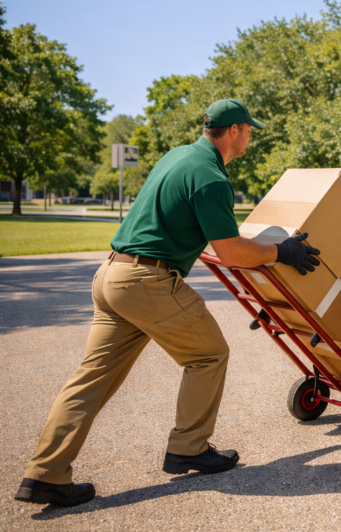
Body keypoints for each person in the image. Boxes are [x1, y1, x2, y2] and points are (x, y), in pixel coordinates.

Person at [14, 99, 321, 507]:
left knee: (90, 380)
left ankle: (45, 474)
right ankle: (189, 447)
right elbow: (230, 252)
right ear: (233, 131)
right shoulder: (211, 177)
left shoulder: (178, 156)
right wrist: (281, 252)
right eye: (248, 129)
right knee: (209, 355)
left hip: (111, 275)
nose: (250, 135)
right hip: (147, 281)